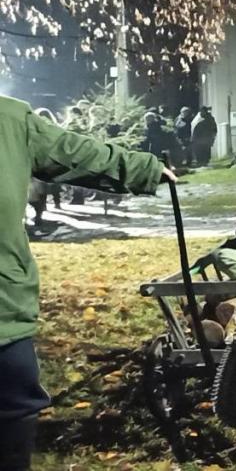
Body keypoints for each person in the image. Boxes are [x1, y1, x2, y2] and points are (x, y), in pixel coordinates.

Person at [0, 94, 175, 471]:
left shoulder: (9, 120)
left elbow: (72, 152)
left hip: (3, 315)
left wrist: (142, 169)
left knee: (11, 428)